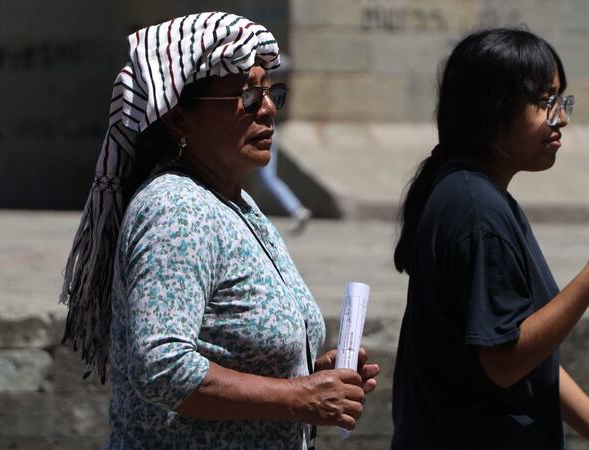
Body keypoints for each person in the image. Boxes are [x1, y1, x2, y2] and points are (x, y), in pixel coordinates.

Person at [59, 12, 378, 449]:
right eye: (247, 96)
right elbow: (164, 367)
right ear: (178, 119)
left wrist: (311, 375)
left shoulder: (234, 202)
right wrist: (298, 396)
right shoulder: (174, 209)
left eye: (271, 94)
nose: (267, 109)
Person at [391, 28, 589, 449]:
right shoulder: (478, 210)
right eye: (545, 101)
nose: (561, 117)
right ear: (494, 110)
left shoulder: (476, 193)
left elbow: (533, 355)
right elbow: (505, 359)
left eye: (561, 100)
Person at [254, 53, 312, 234]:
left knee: (268, 178)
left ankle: (296, 210)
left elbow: (285, 63)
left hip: (266, 133)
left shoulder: (263, 71)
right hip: (268, 132)